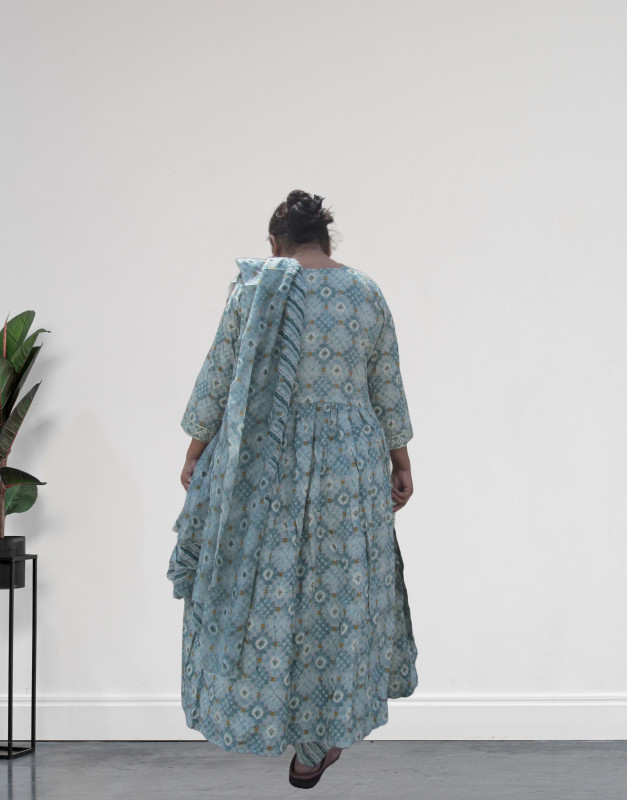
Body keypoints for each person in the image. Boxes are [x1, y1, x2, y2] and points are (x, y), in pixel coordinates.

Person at [167, 189, 418, 789]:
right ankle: (318, 743)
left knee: (273, 595)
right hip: (351, 464)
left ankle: (271, 718)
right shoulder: (365, 292)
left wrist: (196, 450)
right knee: (338, 601)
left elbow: (219, 373)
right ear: (326, 240)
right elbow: (386, 384)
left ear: (275, 243)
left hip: (267, 460)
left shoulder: (258, 290)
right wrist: (401, 462)